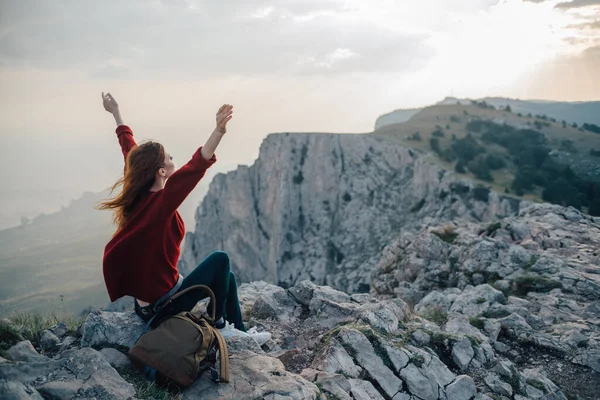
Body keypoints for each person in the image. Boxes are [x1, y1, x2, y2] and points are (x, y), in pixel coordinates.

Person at [98, 92, 246, 332]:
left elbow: (129, 152)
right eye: (169, 158)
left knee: (227, 278)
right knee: (221, 259)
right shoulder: (161, 204)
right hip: (164, 307)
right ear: (161, 172)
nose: (173, 159)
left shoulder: (140, 193)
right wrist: (218, 131)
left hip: (148, 305)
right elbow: (194, 168)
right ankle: (219, 325)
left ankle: (239, 331)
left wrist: (116, 113)